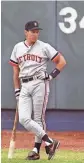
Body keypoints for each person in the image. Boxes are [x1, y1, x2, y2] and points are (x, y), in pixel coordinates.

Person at [9, 20, 66, 160]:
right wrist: (17, 90)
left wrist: (51, 76)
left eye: (37, 32)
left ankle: (35, 150)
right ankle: (50, 142)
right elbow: (15, 72)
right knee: (24, 118)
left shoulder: (44, 47)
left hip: (39, 83)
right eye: (32, 31)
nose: (35, 34)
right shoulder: (17, 48)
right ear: (25, 32)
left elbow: (62, 61)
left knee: (38, 118)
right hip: (24, 85)